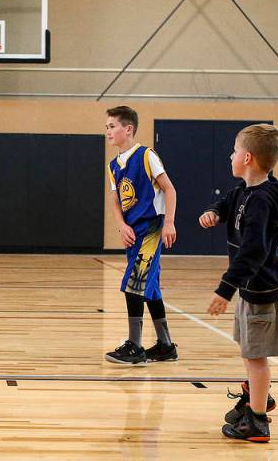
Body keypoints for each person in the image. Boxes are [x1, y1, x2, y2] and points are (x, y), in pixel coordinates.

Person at [201, 124, 278, 443]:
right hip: (253, 283)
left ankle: (257, 421)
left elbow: (253, 250)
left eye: (233, 150)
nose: (230, 156)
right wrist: (215, 212)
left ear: (247, 157)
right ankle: (257, 394)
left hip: (260, 286)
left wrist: (224, 290)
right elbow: (230, 202)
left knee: (256, 356)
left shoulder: (262, 199)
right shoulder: (248, 189)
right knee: (248, 350)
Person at [103, 106, 179, 365]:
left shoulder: (146, 156)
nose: (108, 131)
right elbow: (115, 202)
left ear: (128, 129)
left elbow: (170, 190)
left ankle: (135, 346)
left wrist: (169, 222)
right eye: (107, 127)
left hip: (152, 228)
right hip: (133, 231)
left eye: (112, 126)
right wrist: (121, 226)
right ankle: (166, 346)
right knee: (151, 289)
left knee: (133, 282)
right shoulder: (114, 165)